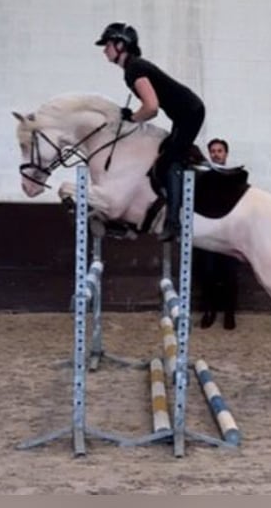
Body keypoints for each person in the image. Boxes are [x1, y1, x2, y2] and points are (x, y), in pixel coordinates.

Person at [95, 22, 205, 241]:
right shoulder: (133, 68)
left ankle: (174, 223)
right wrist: (133, 117)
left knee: (168, 163)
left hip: (190, 114)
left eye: (107, 44)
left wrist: (131, 118)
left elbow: (151, 108)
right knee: (162, 157)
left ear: (120, 45)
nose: (104, 50)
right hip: (183, 115)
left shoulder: (134, 68)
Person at [198, 138, 240, 330]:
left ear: (226, 154)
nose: (216, 154)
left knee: (230, 274)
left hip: (230, 235)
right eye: (213, 151)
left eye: (220, 151)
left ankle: (230, 314)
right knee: (207, 273)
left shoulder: (235, 176)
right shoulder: (202, 177)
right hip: (208, 234)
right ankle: (209, 312)